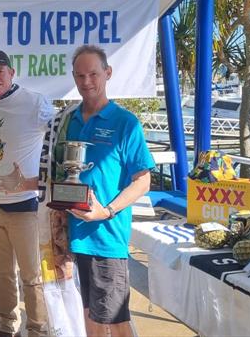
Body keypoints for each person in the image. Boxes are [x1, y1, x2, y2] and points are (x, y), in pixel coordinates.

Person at [58, 45, 154, 337]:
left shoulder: (126, 123)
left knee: (115, 321)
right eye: (80, 75)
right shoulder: (70, 121)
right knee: (89, 314)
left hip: (107, 240)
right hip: (76, 239)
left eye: (93, 74)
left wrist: (107, 211)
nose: (86, 82)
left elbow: (143, 180)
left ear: (107, 73)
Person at [0, 50, 53, 337]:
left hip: (25, 207)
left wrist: (38, 181)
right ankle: (7, 325)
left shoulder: (34, 103)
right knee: (2, 275)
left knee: (32, 277)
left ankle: (38, 329)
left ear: (12, 73)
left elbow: (59, 138)